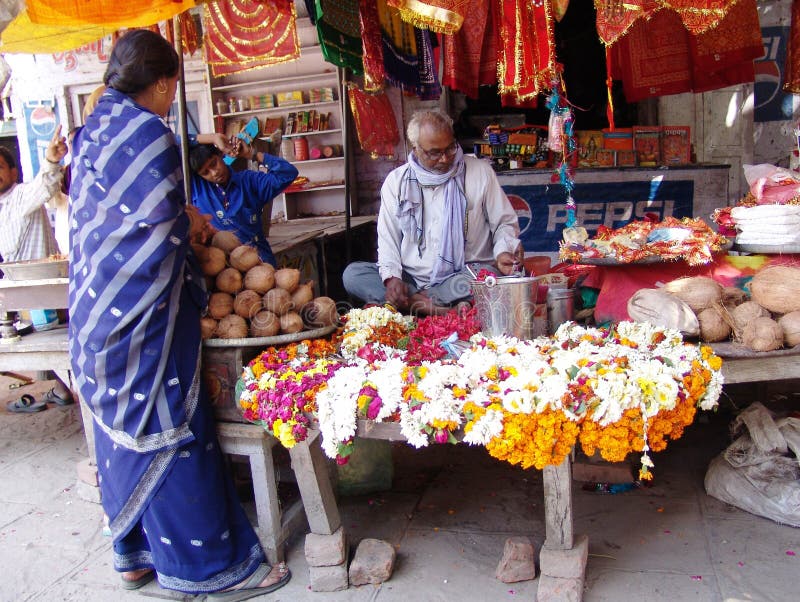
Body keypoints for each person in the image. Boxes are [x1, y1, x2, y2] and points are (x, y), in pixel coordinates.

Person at [68, 30, 290, 599]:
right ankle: (209, 570)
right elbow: (161, 238)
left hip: (98, 309)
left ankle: (131, 555)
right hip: (147, 313)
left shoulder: (93, 127)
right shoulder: (150, 134)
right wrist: (191, 231)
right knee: (173, 426)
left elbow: (113, 224)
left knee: (120, 433)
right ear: (166, 82)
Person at [343, 109, 523, 315]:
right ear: (416, 149)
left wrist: (503, 251)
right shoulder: (396, 182)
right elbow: (388, 238)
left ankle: (413, 305)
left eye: (450, 148)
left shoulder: (480, 172)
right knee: (353, 274)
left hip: (461, 278)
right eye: (434, 152)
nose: (445, 158)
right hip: (410, 279)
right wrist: (393, 278)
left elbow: (504, 223)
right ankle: (438, 308)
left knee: (488, 277)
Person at [0, 126, 75, 408]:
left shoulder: (22, 195)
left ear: (13, 172)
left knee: (64, 343)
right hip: (21, 293)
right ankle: (60, 388)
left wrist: (52, 162)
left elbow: (45, 185)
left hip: (49, 287)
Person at [188, 139, 298, 266]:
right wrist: (213, 136)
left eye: (214, 164)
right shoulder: (198, 187)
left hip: (257, 262)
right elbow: (175, 143)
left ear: (220, 155)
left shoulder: (249, 182)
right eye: (205, 172)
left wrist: (252, 154)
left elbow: (288, 173)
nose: (214, 173)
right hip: (219, 267)